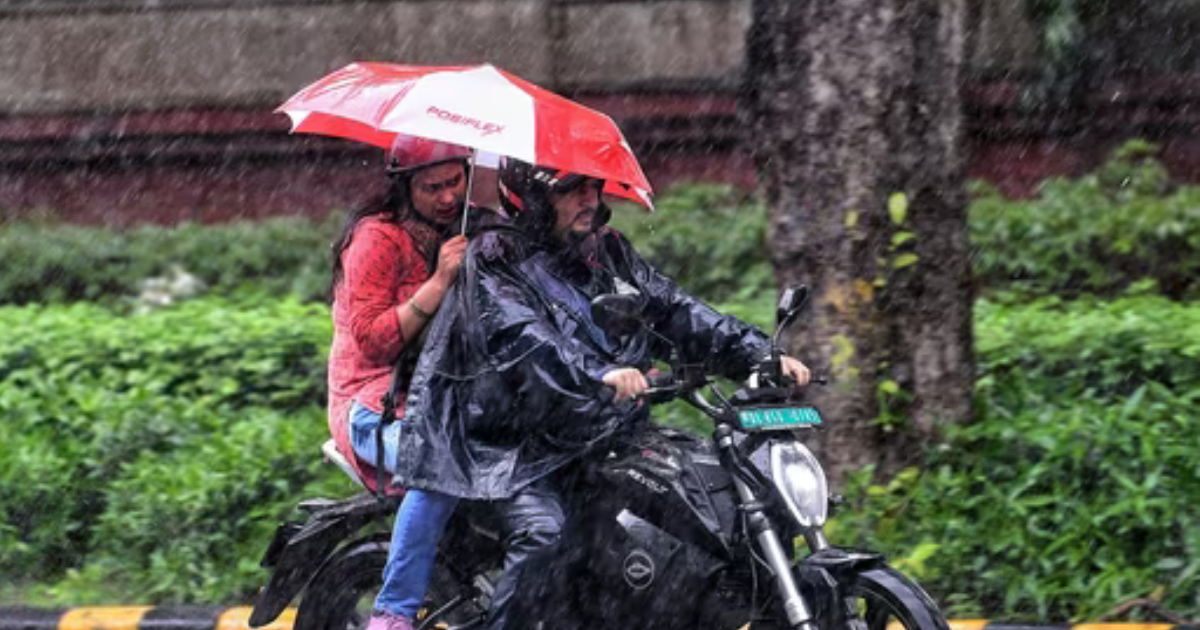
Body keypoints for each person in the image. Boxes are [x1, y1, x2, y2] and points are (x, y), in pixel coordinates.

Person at [391, 158, 811, 630]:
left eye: (594, 187)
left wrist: (758, 354)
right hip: (511, 446)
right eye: (572, 189)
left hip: (595, 431)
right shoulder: (493, 257)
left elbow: (673, 308)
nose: (589, 199)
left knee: (700, 503)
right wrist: (598, 373)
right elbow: (525, 339)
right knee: (545, 534)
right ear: (532, 195)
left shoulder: (606, 250)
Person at [325, 135, 474, 630]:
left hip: (441, 402)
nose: (448, 196)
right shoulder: (377, 238)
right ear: (405, 187)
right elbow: (373, 341)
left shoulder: (463, 230)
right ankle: (392, 614)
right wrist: (440, 282)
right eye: (432, 187)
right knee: (436, 468)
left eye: (455, 181)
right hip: (374, 405)